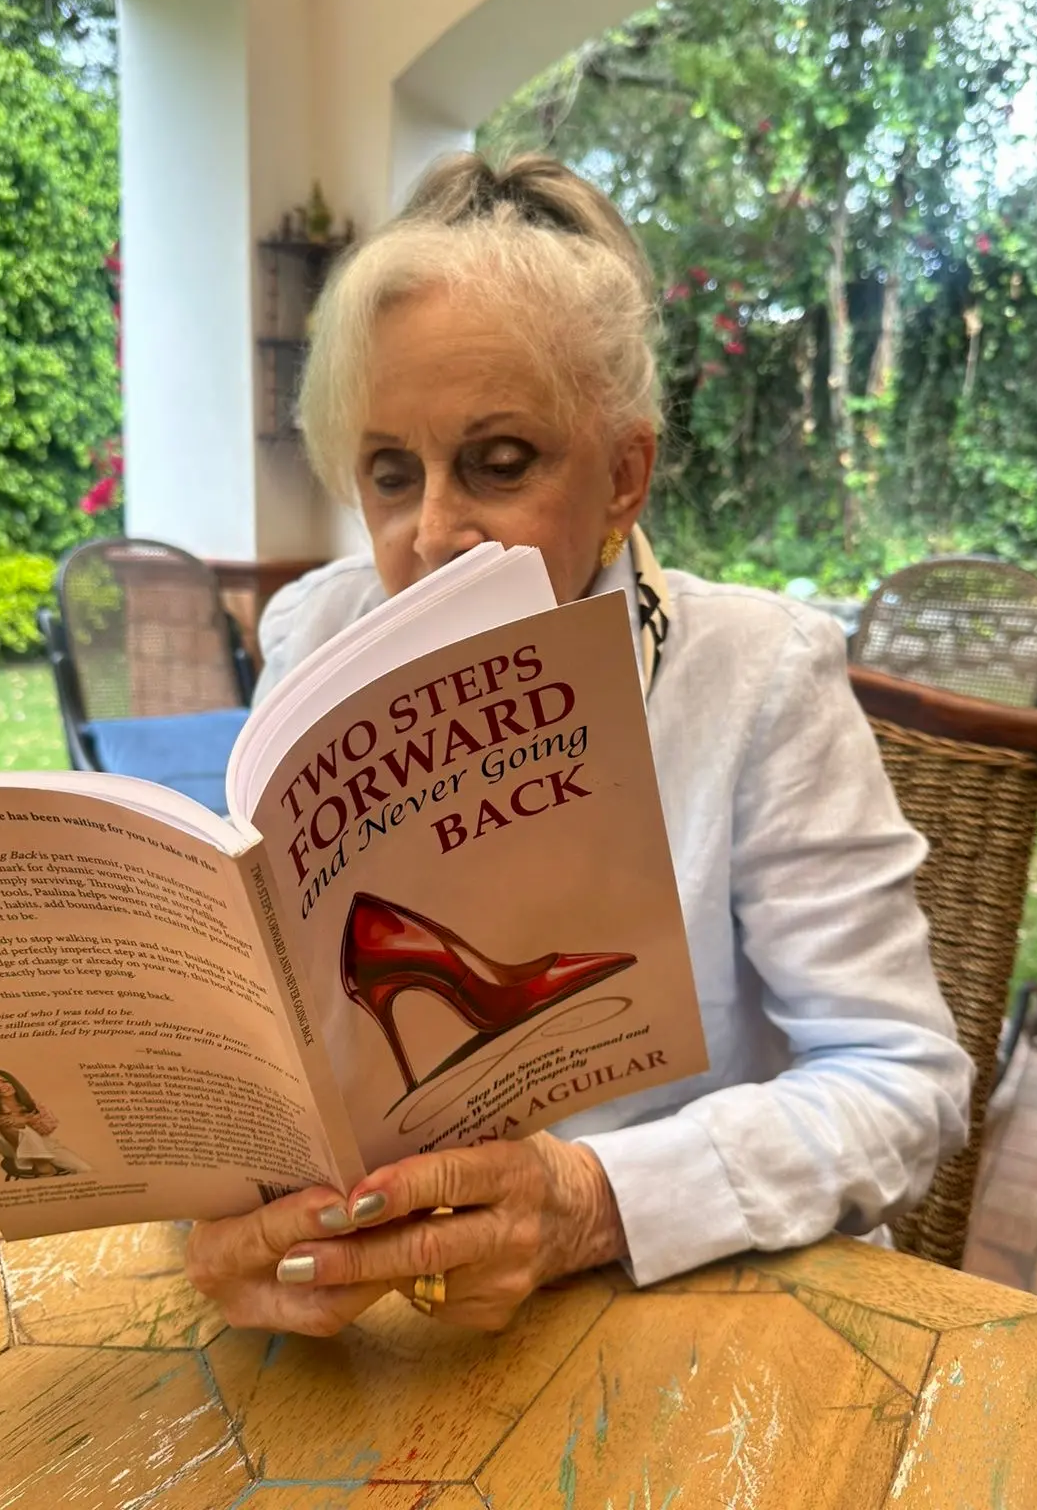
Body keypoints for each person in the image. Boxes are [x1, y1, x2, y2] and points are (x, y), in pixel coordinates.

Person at [185, 153, 973, 1334]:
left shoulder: (757, 677)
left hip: (688, 1311)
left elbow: (906, 1084)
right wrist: (231, 1201)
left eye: (501, 464)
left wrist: (596, 1200)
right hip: (396, 1327)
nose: (435, 533)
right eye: (391, 474)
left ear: (624, 475)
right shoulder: (320, 629)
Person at [0, 1069, 91, 1177]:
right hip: (11, 1147)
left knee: (85, 1169)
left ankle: (42, 1164)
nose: (0, 1086)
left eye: (4, 1081)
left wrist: (26, 1121)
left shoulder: (34, 1104)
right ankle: (43, 1167)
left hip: (45, 1145)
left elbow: (48, 1129)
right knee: (6, 1125)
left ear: (13, 1083)